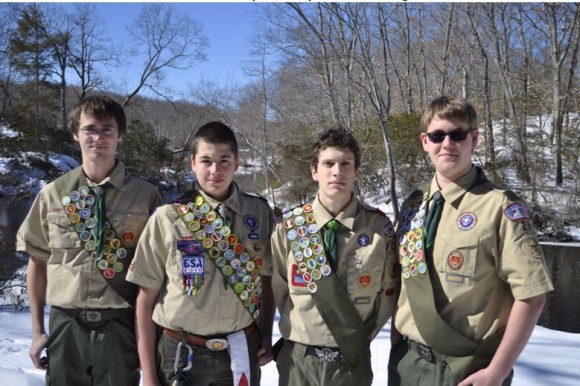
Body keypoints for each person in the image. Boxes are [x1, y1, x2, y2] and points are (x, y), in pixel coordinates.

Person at [388, 96, 554, 386]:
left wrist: (497, 372)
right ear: (425, 141)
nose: (447, 143)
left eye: (458, 134)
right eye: (438, 135)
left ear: (474, 139)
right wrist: (396, 345)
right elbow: (404, 282)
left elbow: (531, 296)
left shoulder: (499, 207)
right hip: (407, 365)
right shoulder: (413, 204)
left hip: (467, 369)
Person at [16, 95, 162, 385]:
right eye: (89, 129)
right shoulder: (54, 194)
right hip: (65, 327)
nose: (98, 137)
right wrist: (37, 330)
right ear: (75, 133)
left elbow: (158, 274)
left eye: (107, 129)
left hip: (120, 327)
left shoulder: (146, 196)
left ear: (120, 134)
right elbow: (37, 262)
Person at [126, 121, 275, 386]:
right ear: (192, 163)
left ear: (237, 163)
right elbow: (145, 300)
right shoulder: (167, 218)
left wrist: (266, 334)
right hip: (181, 353)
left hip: (240, 349)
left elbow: (266, 280)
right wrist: (148, 374)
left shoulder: (259, 213)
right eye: (206, 161)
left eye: (224, 160)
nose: (215, 170)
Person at [270, 127, 400, 386]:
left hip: (352, 361)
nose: (337, 171)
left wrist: (355, 338)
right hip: (299, 362)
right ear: (314, 171)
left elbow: (388, 295)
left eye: (345, 164)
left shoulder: (378, 230)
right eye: (328, 163)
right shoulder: (290, 228)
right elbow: (278, 289)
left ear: (356, 172)